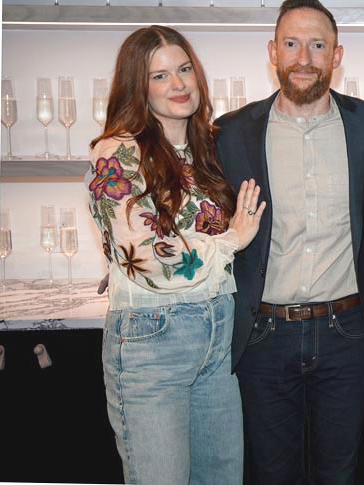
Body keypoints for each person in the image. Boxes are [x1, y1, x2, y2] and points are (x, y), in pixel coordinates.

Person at [214, 0, 364, 484]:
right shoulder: (230, 133)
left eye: (318, 45)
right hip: (263, 336)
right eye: (291, 44)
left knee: (340, 472)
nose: (304, 58)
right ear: (272, 52)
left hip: (347, 332)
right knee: (273, 474)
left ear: (337, 55)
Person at [86, 25, 265, 484]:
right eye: (160, 76)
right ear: (138, 86)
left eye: (184, 69)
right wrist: (231, 240)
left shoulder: (206, 147)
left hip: (218, 335)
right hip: (153, 341)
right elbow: (145, 256)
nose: (179, 84)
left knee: (222, 478)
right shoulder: (118, 151)